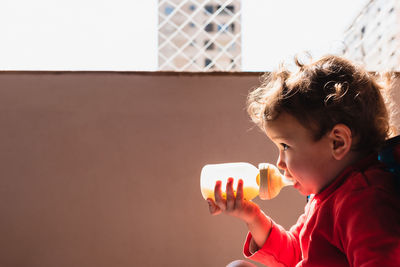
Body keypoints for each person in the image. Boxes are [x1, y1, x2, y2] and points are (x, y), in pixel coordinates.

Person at [207, 55, 400, 267]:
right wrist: (252, 217)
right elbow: (294, 254)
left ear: (337, 143)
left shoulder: (364, 201)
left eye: (286, 146)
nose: (280, 162)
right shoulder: (324, 197)